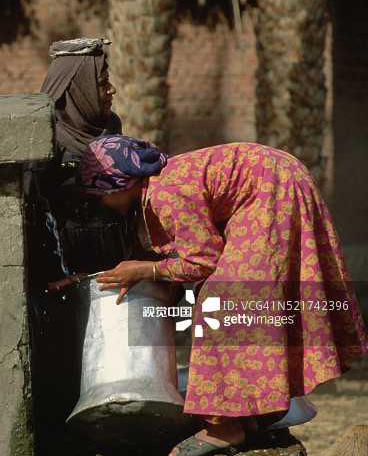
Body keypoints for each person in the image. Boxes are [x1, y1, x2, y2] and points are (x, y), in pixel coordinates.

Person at [79, 135, 368, 456]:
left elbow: (203, 259)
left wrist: (144, 271)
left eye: (99, 197)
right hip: (278, 181)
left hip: (274, 190)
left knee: (222, 302)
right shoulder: (160, 185)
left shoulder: (165, 194)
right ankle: (246, 415)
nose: (100, 205)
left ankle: (224, 427)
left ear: (117, 185)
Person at [23, 37, 131, 447]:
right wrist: (48, 276)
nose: (111, 90)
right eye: (103, 83)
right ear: (79, 89)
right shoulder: (43, 138)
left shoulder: (111, 127)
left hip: (107, 257)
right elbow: (32, 212)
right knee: (67, 367)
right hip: (63, 274)